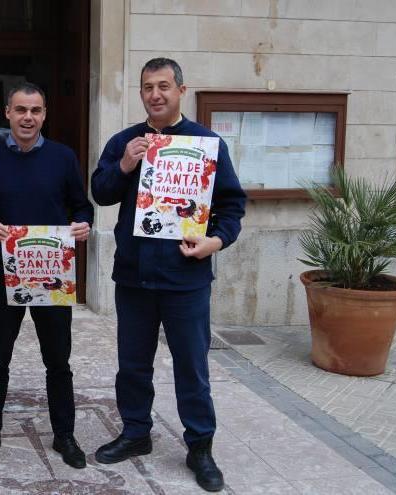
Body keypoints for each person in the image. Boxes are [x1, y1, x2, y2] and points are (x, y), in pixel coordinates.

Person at [90, 58, 246, 492]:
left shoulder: (207, 144)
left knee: (191, 367)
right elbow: (100, 193)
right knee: (132, 365)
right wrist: (123, 164)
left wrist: (215, 242)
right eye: (146, 87)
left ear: (180, 90)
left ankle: (200, 446)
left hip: (186, 280)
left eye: (163, 86)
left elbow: (232, 208)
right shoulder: (125, 141)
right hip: (135, 278)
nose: (154, 94)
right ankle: (136, 432)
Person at [0, 82, 94, 469]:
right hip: (3, 275)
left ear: (44, 114)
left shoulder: (63, 157)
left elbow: (82, 206)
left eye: (36, 110)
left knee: (58, 360)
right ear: (7, 113)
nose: (28, 117)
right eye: (21, 110)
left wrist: (83, 224)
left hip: (52, 276)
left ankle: (65, 435)